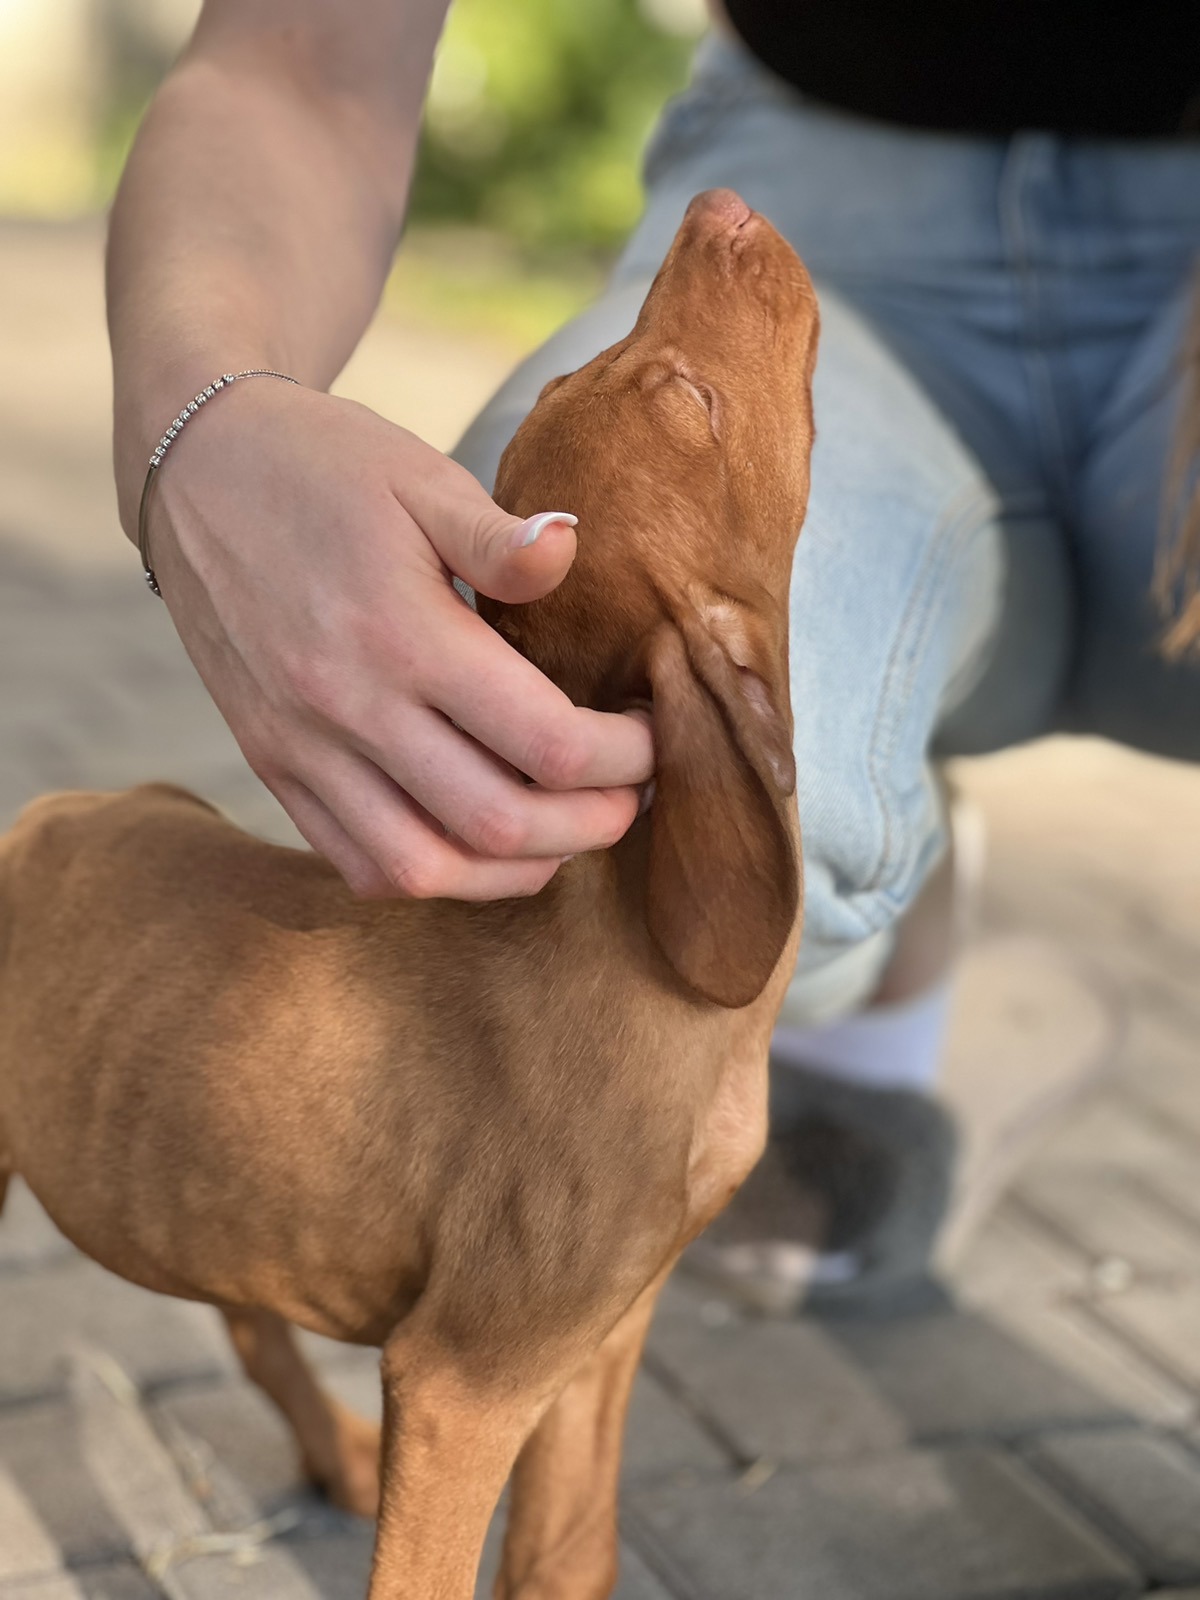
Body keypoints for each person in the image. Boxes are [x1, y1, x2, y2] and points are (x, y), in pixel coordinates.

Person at [108, 0, 1200, 1309]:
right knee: (560, 718)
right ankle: (887, 955)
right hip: (831, 203)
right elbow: (300, 67)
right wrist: (205, 422)